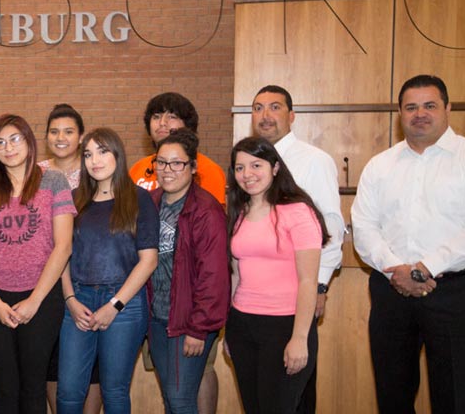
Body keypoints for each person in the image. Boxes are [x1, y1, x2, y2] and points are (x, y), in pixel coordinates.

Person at [352, 75, 465, 414]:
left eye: (429, 105)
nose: (419, 114)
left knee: (455, 398)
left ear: (448, 108)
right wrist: (398, 270)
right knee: (392, 397)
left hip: (454, 294)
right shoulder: (380, 166)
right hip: (390, 292)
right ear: (400, 113)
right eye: (410, 107)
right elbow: (364, 227)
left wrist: (424, 269)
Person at [0, 114, 75, 413]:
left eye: (14, 139)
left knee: (33, 388)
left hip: (42, 298)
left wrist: (35, 301)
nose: (8, 147)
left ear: (29, 141)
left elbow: (63, 246)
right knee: (2, 388)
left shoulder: (53, 181)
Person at [249, 85, 345, 413]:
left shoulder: (314, 161)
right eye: (258, 108)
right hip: (257, 304)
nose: (265, 115)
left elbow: (330, 230)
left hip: (298, 297)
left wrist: (319, 285)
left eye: (275, 108)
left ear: (291, 116)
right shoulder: (248, 164)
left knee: (295, 393)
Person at [224, 137, 328, 414]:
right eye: (240, 168)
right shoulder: (239, 211)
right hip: (242, 325)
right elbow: (236, 271)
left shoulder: (298, 211)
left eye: (256, 165)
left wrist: (299, 338)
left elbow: (308, 281)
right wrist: (229, 329)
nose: (247, 174)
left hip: (285, 326)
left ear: (275, 167)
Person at [56, 128, 156, 414]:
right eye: (88, 154)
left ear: (117, 154)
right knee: (69, 392)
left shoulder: (138, 198)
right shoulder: (73, 199)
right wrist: (70, 300)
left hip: (124, 305)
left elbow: (148, 260)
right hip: (78, 302)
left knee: (114, 392)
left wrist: (115, 305)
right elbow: (61, 255)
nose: (94, 160)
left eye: (102, 151)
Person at [145, 128, 230, 413]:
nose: (167, 170)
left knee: (181, 400)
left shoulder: (206, 210)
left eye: (177, 163)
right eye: (161, 162)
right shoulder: (150, 203)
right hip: (157, 319)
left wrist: (199, 328)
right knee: (170, 399)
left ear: (193, 167)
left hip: (189, 322)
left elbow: (214, 276)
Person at [36, 103, 102, 414]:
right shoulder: (35, 173)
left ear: (81, 136)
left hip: (91, 279)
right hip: (47, 281)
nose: (61, 137)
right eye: (54, 131)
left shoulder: (97, 171)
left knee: (94, 364)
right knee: (52, 360)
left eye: (68, 131)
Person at [129, 92, 226, 206]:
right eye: (156, 117)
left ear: (188, 125)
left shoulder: (208, 170)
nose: (162, 123)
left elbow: (211, 216)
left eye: (172, 117)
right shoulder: (137, 169)